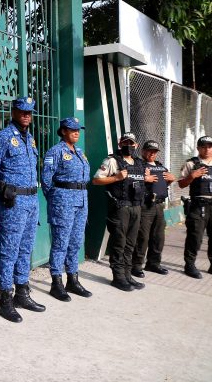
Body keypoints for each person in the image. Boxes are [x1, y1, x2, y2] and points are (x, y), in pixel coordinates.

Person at [0, 96, 44, 323]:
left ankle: (22, 293)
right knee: (9, 251)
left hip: (31, 201)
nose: (26, 115)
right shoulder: (2, 137)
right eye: (22, 111)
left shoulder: (30, 139)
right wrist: (4, 186)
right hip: (13, 201)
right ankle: (5, 300)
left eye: (30, 112)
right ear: (14, 112)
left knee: (25, 249)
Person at [41, 117, 92, 302]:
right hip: (63, 202)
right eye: (72, 130)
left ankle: (73, 279)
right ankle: (56, 282)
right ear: (63, 131)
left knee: (75, 242)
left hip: (81, 201)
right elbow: (46, 180)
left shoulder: (79, 152)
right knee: (60, 243)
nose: (77, 132)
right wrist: (56, 200)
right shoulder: (56, 151)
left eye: (78, 129)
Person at [92, 132, 147, 291]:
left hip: (136, 206)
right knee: (119, 243)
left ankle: (128, 275)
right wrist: (116, 178)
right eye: (125, 143)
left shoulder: (139, 163)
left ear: (136, 145)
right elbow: (96, 180)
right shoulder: (112, 161)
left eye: (131, 143)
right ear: (120, 144)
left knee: (131, 243)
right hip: (120, 207)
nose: (128, 146)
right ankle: (118, 277)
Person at [131, 140, 176, 277]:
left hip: (159, 205)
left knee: (158, 237)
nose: (152, 153)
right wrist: (144, 178)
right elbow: (132, 179)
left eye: (155, 151)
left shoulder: (160, 166)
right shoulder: (138, 164)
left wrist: (170, 179)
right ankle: (137, 265)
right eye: (149, 150)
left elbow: (164, 185)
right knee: (142, 237)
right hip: (145, 205)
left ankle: (153, 263)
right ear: (143, 151)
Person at [178, 135, 212, 279]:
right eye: (204, 146)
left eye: (210, 146)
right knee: (195, 236)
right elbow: (181, 184)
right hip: (199, 205)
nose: (207, 149)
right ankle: (190, 265)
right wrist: (193, 176)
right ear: (198, 148)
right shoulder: (191, 164)